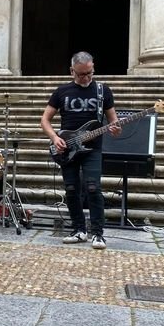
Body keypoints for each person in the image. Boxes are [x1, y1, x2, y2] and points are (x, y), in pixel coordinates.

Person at [41, 51, 120, 250]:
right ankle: (78, 230)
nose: (85, 78)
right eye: (81, 74)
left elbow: (114, 122)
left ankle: (98, 233)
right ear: (71, 72)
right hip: (68, 148)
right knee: (71, 189)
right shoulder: (61, 92)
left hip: (92, 149)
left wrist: (115, 129)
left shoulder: (104, 91)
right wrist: (55, 138)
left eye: (89, 73)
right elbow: (45, 120)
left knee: (93, 187)